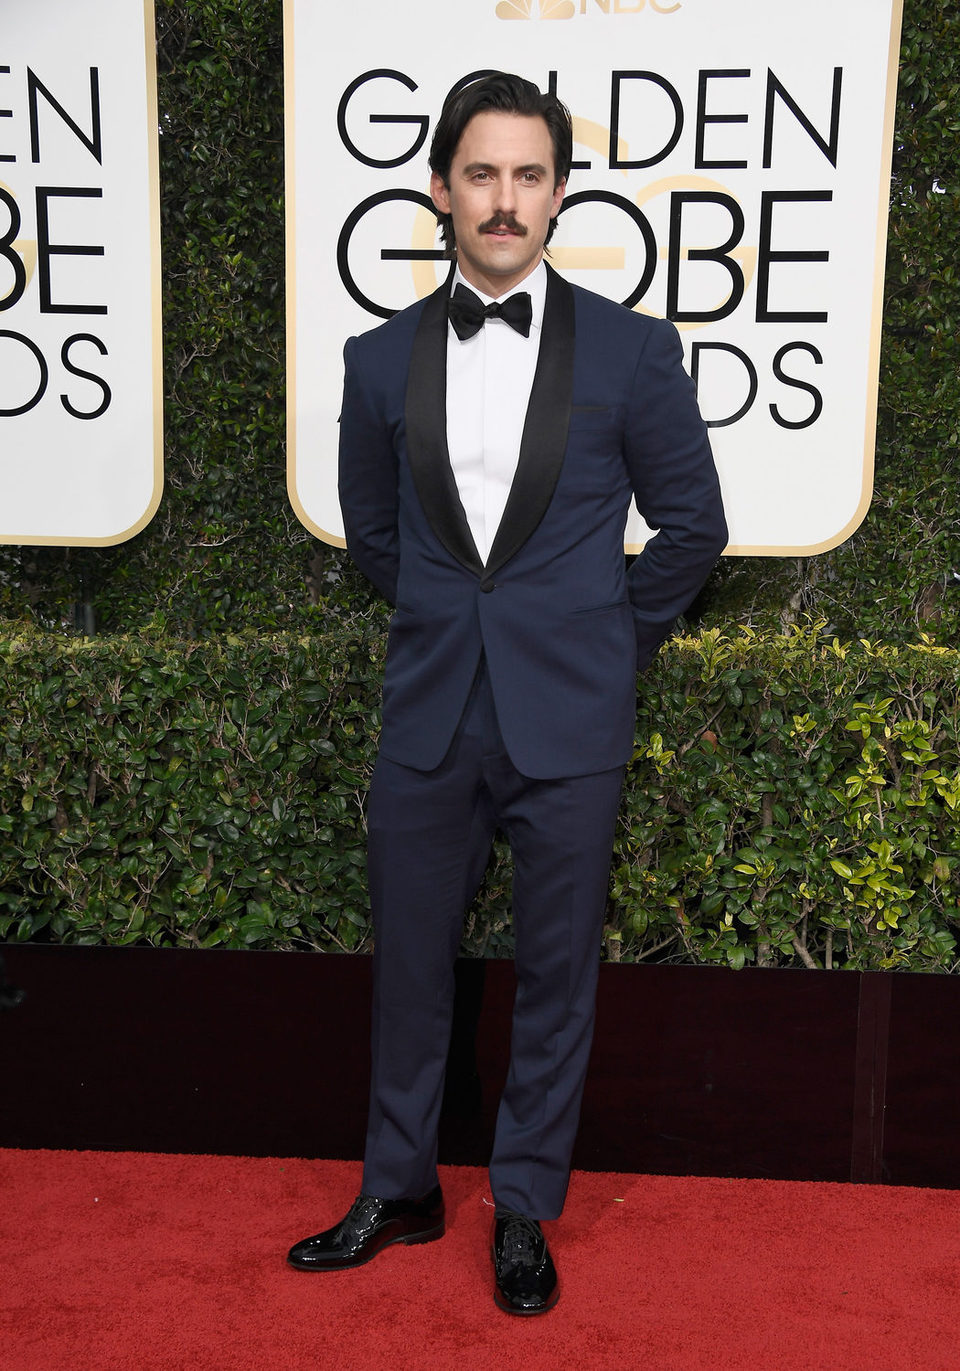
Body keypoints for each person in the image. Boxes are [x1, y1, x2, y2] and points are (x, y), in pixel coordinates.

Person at [288, 72, 727, 1315]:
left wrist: (604, 639)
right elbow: (375, 536)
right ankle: (402, 1185)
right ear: (440, 189)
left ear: (558, 194)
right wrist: (451, 619)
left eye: (529, 175)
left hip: (571, 719)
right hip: (430, 712)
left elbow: (693, 529)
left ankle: (524, 1206)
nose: (504, 199)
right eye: (481, 173)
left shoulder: (635, 352)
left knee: (556, 973)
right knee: (410, 968)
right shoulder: (376, 362)